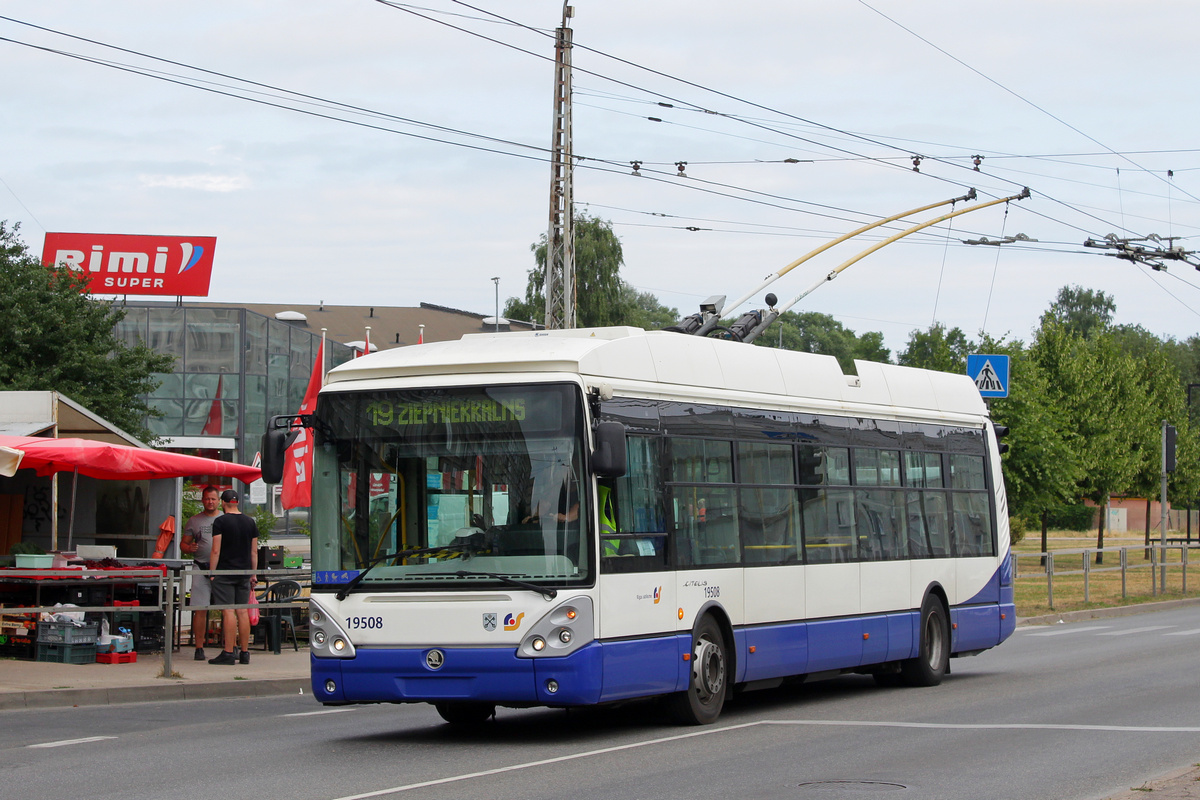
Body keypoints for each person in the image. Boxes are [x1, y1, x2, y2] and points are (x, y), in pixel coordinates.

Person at [208, 489, 258, 666]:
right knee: (242, 611)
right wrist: (253, 573)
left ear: (223, 503)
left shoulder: (220, 521)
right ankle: (245, 652)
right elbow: (254, 551)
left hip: (225, 571)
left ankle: (229, 652)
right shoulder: (250, 522)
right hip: (244, 572)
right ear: (237, 503)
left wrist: (212, 573)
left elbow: (216, 550)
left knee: (228, 610)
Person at [180, 485, 221, 661]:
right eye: (207, 499)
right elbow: (183, 544)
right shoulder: (194, 521)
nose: (210, 502)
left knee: (228, 609)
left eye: (213, 499)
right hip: (200, 567)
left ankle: (231, 647)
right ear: (202, 500)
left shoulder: (225, 518)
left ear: (218, 500)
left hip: (222, 569)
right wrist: (189, 548)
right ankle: (199, 647)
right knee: (200, 608)